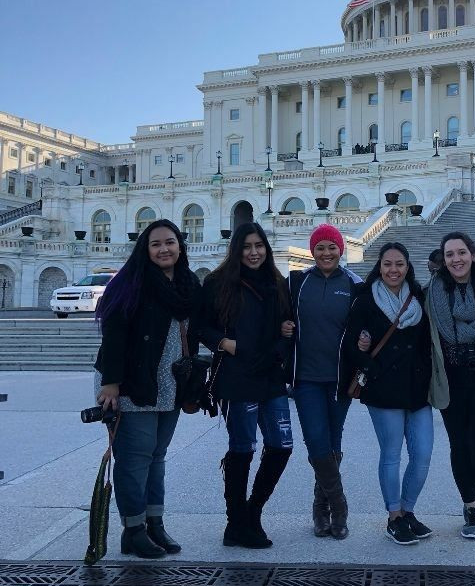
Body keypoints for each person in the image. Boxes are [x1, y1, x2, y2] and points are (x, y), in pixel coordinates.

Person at [95, 219, 201, 558]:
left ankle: (155, 524)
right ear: (146, 249)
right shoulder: (130, 283)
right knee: (135, 459)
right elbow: (113, 335)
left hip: (171, 386)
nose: (164, 249)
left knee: (157, 457)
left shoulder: (187, 284)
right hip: (134, 384)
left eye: (170, 242)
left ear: (180, 246)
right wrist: (110, 383)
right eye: (156, 244)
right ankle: (134, 530)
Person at [198, 223, 294, 549]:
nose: (254, 252)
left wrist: (282, 349)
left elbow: (289, 327)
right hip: (237, 376)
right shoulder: (217, 283)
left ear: (266, 248)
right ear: (236, 249)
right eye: (247, 246)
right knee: (242, 449)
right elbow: (200, 326)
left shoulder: (278, 283)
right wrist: (225, 343)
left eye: (259, 246)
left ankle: (252, 512)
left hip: (270, 374)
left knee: (282, 445)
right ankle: (235, 522)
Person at [343, 242, 433, 546]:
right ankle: (394, 516)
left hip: (418, 389)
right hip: (383, 389)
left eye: (399, 264)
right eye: (387, 264)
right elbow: (350, 347)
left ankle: (408, 511)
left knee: (422, 455)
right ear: (379, 267)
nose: (393, 270)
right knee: (392, 456)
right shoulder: (366, 300)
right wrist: (372, 366)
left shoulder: (417, 296)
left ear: (408, 267)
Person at [426, 231, 475, 539]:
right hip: (452, 379)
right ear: (443, 261)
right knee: (459, 445)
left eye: (461, 253)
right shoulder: (432, 292)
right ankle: (471, 506)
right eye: (449, 255)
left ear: (473, 255)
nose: (456, 259)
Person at [287, 224, 362, 539]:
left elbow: (363, 325)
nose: (326, 253)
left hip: (339, 379)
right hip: (305, 378)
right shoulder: (296, 283)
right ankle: (338, 505)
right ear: (312, 251)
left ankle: (322, 507)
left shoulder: (354, 285)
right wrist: (283, 327)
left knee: (333, 441)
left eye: (332, 247)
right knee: (316, 440)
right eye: (320, 247)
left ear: (341, 249)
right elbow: (278, 314)